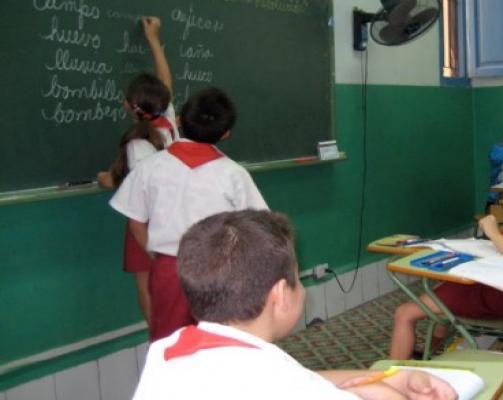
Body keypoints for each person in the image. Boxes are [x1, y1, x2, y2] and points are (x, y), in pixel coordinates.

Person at [132, 210, 456, 400]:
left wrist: (388, 375)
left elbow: (300, 379)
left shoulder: (169, 350)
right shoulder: (279, 383)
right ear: (280, 295)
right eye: (297, 280)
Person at [110, 87, 269, 341]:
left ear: (180, 121)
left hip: (169, 269)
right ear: (226, 133)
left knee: (169, 342)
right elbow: (259, 226)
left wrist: (156, 255)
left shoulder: (151, 166)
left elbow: (135, 221)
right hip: (219, 271)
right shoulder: (234, 174)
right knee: (220, 340)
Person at [389, 177, 503, 360]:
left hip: (500, 299)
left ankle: (392, 377)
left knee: (404, 312)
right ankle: (433, 348)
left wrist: (493, 232)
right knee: (440, 291)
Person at [97, 16, 179, 327]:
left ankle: (158, 336)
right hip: (172, 216)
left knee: (147, 284)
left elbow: (137, 188)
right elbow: (166, 82)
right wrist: (154, 39)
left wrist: (108, 180)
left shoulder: (137, 145)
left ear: (129, 107)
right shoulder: (168, 122)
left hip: (146, 223)